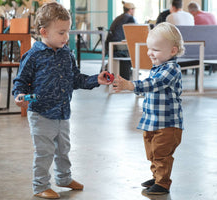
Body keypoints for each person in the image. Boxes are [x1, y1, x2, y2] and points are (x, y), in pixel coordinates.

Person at [12, 2, 111, 199]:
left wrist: (95, 80)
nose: (66, 37)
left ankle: (64, 178)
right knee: (45, 152)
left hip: (63, 112)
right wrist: (20, 94)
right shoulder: (32, 56)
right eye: (61, 32)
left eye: (68, 31)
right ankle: (40, 186)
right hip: (41, 113)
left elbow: (75, 79)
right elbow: (21, 81)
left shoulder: (67, 54)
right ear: (44, 32)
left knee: (63, 149)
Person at [113, 22, 184, 195]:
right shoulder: (157, 67)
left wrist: (131, 85)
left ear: (173, 51)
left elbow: (154, 84)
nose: (150, 53)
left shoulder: (172, 69)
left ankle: (163, 182)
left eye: (156, 50)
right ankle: (157, 176)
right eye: (149, 48)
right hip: (152, 121)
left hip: (167, 124)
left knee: (161, 153)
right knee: (152, 152)